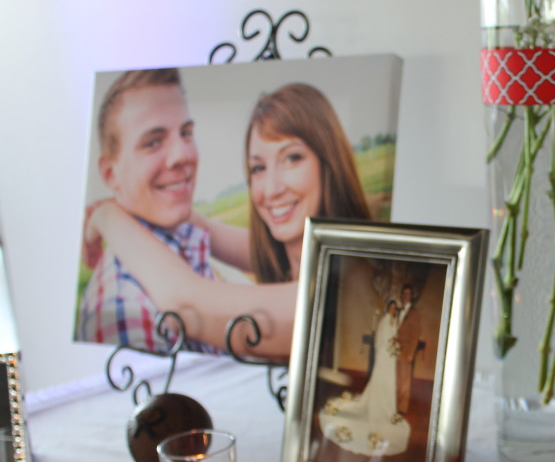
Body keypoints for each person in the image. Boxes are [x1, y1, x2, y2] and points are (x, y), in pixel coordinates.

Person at [84, 82, 373, 359]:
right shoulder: (301, 255)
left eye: (292, 158)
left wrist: (107, 217)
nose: (271, 189)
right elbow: (220, 234)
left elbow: (187, 306)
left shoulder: (346, 286)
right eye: (258, 168)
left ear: (329, 163)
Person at [76, 68, 222, 353]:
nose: (183, 155)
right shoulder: (122, 308)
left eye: (186, 133)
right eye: (153, 142)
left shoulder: (188, 243)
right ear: (110, 174)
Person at [319, 298, 411, 457]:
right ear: (388, 308)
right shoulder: (384, 321)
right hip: (384, 355)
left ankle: (386, 406)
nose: (392, 310)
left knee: (389, 380)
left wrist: (394, 347)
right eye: (391, 308)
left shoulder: (395, 321)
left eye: (395, 308)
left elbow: (395, 336)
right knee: (379, 378)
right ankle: (376, 403)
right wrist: (386, 347)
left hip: (391, 357)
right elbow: (380, 339)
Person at [395, 283, 422, 415]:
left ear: (411, 296)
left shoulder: (414, 313)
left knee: (405, 381)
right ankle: (394, 404)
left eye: (408, 294)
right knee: (396, 379)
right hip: (396, 350)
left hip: (407, 351)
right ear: (401, 295)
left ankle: (402, 408)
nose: (406, 296)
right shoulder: (398, 311)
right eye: (404, 294)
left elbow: (416, 334)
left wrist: (411, 353)